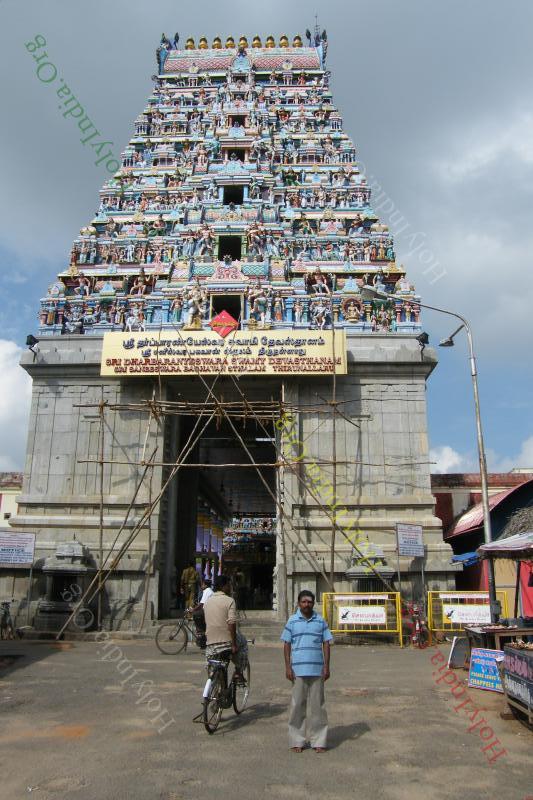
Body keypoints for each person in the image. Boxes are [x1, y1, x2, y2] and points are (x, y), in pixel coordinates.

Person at [281, 589, 333, 753]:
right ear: (298, 603)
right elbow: (286, 644)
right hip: (298, 670)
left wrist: (327, 666)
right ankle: (297, 740)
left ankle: (319, 741)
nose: (306, 604)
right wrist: (288, 667)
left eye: (309, 602)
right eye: (303, 602)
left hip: (317, 670)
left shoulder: (320, 621)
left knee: (318, 707)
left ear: (313, 603)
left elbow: (326, 643)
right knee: (297, 706)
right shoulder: (292, 621)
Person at [204, 574, 247, 677]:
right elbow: (231, 623)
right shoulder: (229, 601)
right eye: (229, 585)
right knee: (243, 642)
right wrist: (233, 644)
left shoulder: (207, 602)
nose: (230, 588)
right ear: (224, 586)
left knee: (211, 670)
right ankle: (238, 671)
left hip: (210, 644)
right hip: (226, 642)